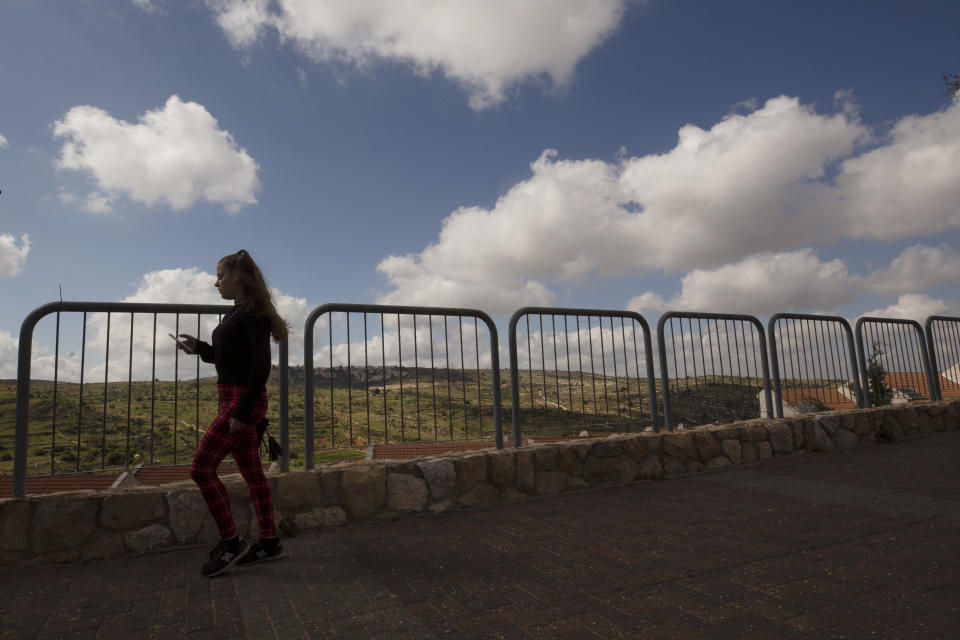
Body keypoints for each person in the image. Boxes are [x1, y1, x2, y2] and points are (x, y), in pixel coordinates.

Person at [177, 249, 288, 578]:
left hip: (242, 403)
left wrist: (241, 409)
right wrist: (199, 348)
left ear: (238, 277)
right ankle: (270, 542)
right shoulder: (236, 314)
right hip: (234, 400)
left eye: (220, 276)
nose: (216, 283)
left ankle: (231, 542)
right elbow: (225, 361)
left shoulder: (252, 313)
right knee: (254, 476)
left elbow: (261, 367)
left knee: (201, 469)